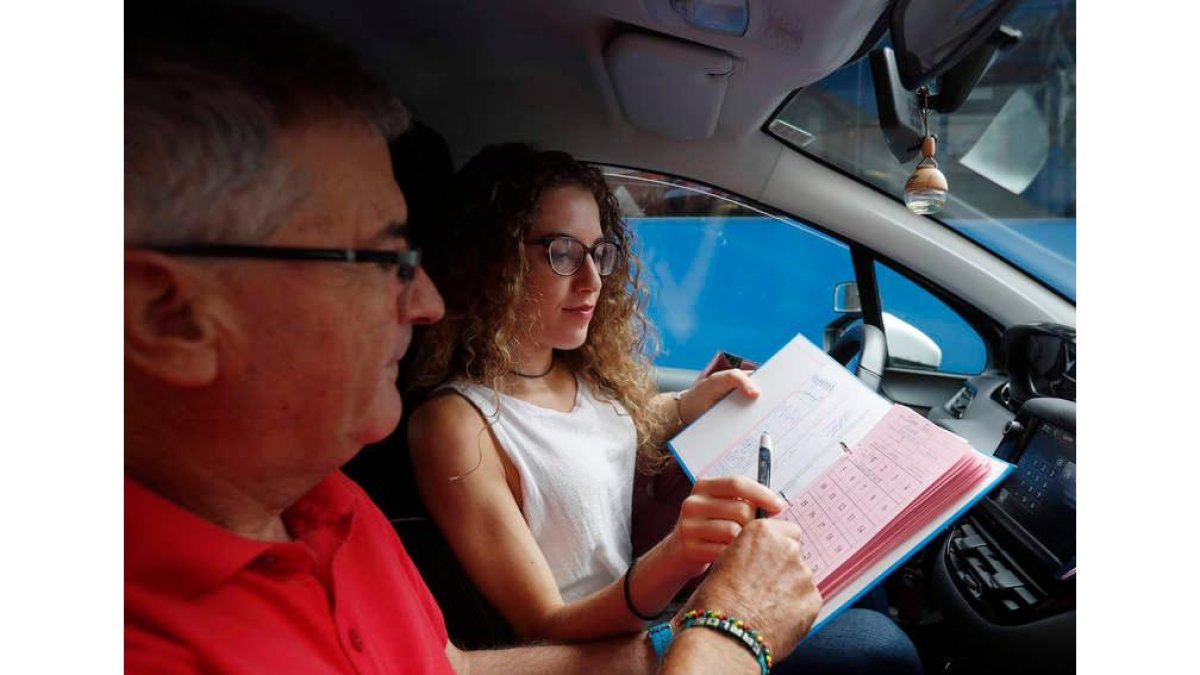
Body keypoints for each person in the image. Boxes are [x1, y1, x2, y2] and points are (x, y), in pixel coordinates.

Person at [124, 2, 823, 674]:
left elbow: (452, 665)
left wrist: (675, 638)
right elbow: (544, 622)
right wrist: (726, 632)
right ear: (171, 316)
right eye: (379, 257)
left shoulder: (332, 506)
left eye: (600, 253)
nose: (426, 300)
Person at [405, 144, 924, 673]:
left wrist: (687, 403)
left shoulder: (571, 369)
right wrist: (677, 556)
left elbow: (591, 439)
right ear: (492, 261)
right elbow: (544, 626)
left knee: (848, 594)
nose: (592, 280)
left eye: (599, 252)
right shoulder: (455, 425)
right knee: (876, 646)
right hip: (606, 653)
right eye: (562, 252)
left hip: (659, 607)